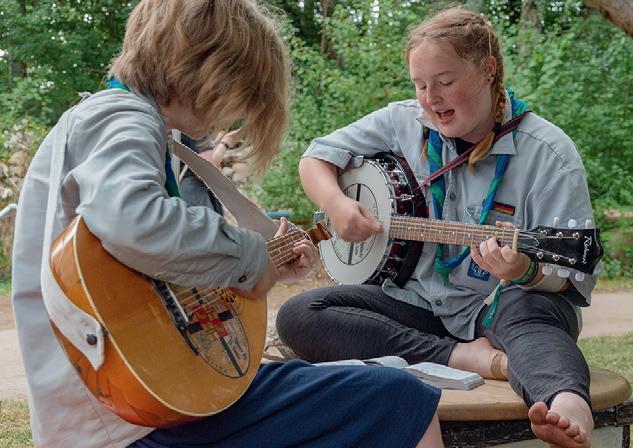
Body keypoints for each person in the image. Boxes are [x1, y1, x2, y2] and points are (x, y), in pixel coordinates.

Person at [11, 1, 444, 447]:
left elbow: (141, 283)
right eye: (241, 93)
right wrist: (249, 257)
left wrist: (260, 267)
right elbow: (132, 220)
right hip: (128, 425)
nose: (232, 116)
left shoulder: (118, 121)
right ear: (210, 71)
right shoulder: (123, 118)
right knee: (402, 399)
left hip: (139, 410)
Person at [276, 6, 597, 448]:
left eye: (445, 81)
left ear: (487, 70)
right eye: (420, 84)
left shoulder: (549, 154)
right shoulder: (403, 121)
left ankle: (567, 406)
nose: (431, 98)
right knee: (300, 313)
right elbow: (314, 158)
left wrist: (525, 270)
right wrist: (337, 204)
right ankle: (466, 358)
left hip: (502, 306)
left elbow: (570, 281)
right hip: (420, 305)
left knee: (534, 320)